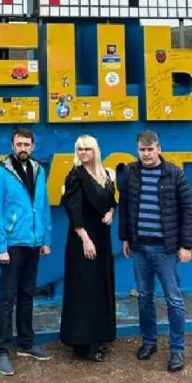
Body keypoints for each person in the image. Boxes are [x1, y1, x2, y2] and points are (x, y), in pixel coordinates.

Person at [118, 130, 192, 373]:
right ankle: (149, 342)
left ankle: (177, 349)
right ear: (137, 150)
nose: (146, 154)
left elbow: (188, 211)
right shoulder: (130, 172)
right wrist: (125, 238)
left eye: (150, 149)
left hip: (166, 249)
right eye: (142, 150)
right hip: (139, 247)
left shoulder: (175, 173)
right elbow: (125, 207)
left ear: (159, 149)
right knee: (144, 297)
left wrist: (186, 245)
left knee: (174, 300)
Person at [0, 127, 53, 376]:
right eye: (19, 144)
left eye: (27, 144)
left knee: (27, 295)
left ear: (32, 146)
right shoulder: (1, 171)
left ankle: (26, 343)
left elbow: (43, 207)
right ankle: (2, 351)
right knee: (7, 298)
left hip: (34, 244)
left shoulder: (39, 170)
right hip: (12, 245)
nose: (23, 148)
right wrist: (1, 247)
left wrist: (45, 239)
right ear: (12, 145)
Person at [59, 135, 117, 362]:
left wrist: (111, 212)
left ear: (95, 151)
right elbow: (73, 210)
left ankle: (100, 337)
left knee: (100, 286)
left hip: (102, 238)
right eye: (80, 149)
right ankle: (84, 344)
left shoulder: (106, 174)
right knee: (84, 289)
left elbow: (111, 200)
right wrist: (84, 238)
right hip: (82, 240)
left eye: (87, 149)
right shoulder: (75, 176)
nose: (83, 153)